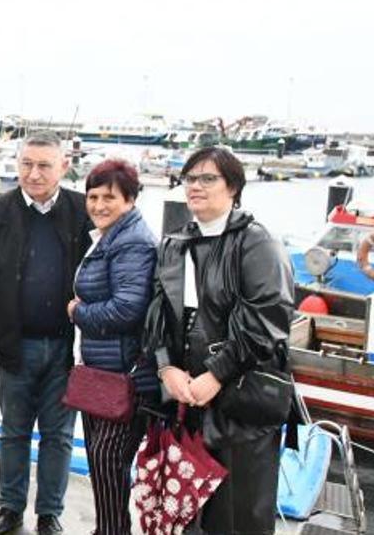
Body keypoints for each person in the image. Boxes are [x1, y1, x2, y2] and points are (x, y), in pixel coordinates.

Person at [144, 146, 294, 534]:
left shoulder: (257, 243)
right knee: (186, 509)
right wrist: (165, 368)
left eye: (208, 178)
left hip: (240, 401)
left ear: (233, 187)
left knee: (239, 513)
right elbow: (157, 316)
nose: (196, 186)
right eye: (190, 178)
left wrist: (215, 374)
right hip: (186, 397)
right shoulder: (174, 244)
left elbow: (267, 321)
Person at [0, 132, 92, 535]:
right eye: (27, 164)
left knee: (58, 436)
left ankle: (49, 513)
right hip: (13, 343)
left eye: (44, 166)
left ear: (64, 167)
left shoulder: (81, 211)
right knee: (14, 431)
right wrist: (6, 308)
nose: (34, 174)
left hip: (65, 347)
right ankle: (10, 508)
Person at [66, 160, 159, 534]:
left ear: (131, 200)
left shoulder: (133, 242)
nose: (99, 205)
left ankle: (112, 530)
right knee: (103, 463)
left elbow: (128, 308)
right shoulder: (111, 236)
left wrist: (78, 312)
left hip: (124, 371)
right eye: (93, 196)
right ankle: (108, 529)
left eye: (110, 197)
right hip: (102, 369)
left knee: (107, 460)